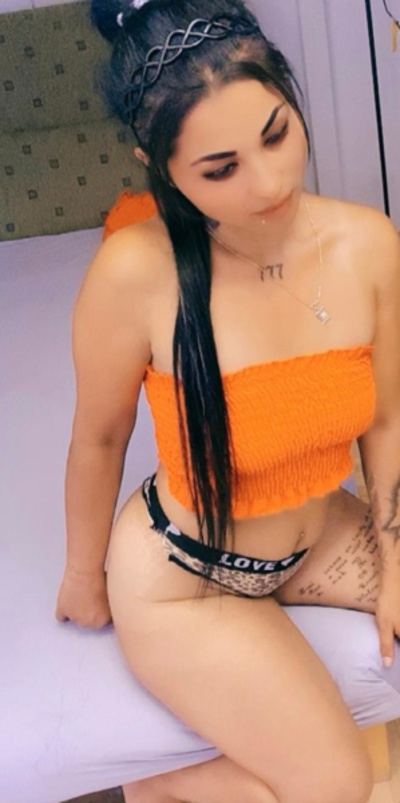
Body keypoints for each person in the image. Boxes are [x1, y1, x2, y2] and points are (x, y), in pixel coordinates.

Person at [55, 0, 400, 801]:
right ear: (159, 166)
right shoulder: (132, 275)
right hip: (186, 574)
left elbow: (386, 418)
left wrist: (396, 559)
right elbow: (99, 437)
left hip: (318, 532)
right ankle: (157, 782)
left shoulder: (369, 243)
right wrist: (81, 574)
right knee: (336, 784)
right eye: (221, 169)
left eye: (276, 134)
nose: (271, 183)